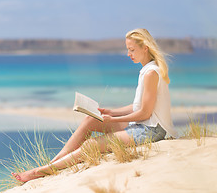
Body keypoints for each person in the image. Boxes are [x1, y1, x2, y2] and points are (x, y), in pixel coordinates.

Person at [12, 28, 177, 183]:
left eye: (132, 50)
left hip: (152, 130)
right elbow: (138, 106)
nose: (128, 54)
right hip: (143, 125)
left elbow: (145, 113)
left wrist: (111, 119)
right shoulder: (147, 70)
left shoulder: (150, 73)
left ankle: (40, 172)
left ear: (145, 48)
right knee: (89, 121)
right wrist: (111, 112)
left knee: (91, 144)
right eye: (128, 49)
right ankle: (52, 163)